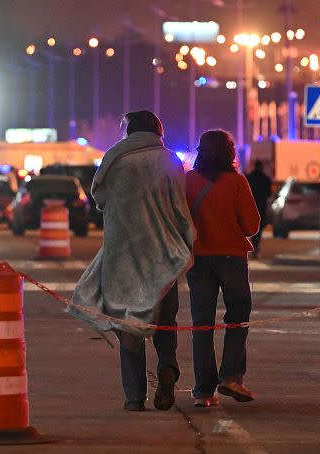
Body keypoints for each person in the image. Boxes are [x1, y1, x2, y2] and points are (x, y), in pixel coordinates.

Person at [70, 111, 195, 412]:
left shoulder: (114, 160)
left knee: (128, 325)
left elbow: (98, 200)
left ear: (129, 131)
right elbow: (180, 207)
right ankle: (167, 368)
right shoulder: (170, 161)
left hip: (123, 257)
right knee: (165, 323)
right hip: (164, 255)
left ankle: (134, 397)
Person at [186, 130, 260, 407]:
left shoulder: (188, 182)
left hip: (199, 259)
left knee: (201, 324)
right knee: (237, 317)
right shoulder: (237, 183)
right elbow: (251, 226)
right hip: (232, 259)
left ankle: (204, 392)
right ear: (230, 153)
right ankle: (231, 377)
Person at [245, 160, 271, 258]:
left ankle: (255, 246)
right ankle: (256, 246)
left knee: (252, 227)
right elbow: (269, 193)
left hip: (251, 206)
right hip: (261, 207)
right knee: (259, 228)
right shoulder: (266, 179)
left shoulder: (249, 178)